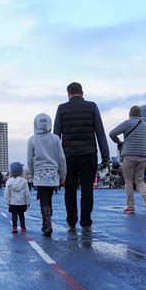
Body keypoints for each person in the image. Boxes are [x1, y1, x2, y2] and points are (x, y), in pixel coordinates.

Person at [54, 82, 109, 232]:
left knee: (69, 190)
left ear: (68, 94)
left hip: (68, 155)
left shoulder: (61, 108)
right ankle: (86, 223)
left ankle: (71, 221)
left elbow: (56, 136)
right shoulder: (92, 107)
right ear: (82, 93)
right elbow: (100, 132)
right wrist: (105, 157)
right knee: (87, 190)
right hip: (89, 154)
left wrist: (55, 159)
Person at [28, 113, 66, 237]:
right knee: (49, 197)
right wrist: (63, 175)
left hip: (39, 173)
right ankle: (49, 215)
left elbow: (30, 159)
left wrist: (32, 176)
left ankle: (46, 223)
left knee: (43, 198)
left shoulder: (32, 139)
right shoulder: (55, 138)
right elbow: (61, 158)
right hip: (53, 173)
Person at [109, 105, 146, 213]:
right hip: (143, 156)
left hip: (129, 155)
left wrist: (118, 141)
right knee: (139, 180)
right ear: (140, 115)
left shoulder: (128, 123)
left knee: (128, 181)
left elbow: (112, 133)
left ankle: (131, 206)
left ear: (130, 114)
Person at [4, 162, 31, 234]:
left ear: (11, 172)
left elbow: (7, 193)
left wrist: (7, 202)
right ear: (21, 171)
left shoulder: (9, 181)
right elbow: (27, 193)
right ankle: (23, 227)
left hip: (13, 203)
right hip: (22, 202)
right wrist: (28, 202)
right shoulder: (24, 181)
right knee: (22, 215)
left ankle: (14, 228)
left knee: (14, 216)